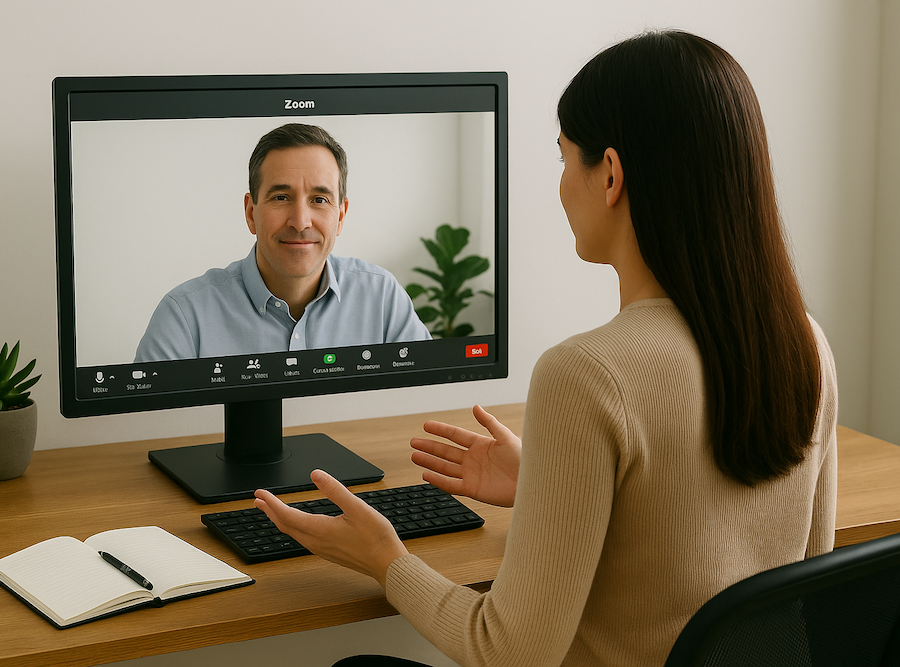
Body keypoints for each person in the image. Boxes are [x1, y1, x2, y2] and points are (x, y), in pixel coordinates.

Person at [255, 30, 838, 667]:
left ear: (610, 174)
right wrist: (549, 483)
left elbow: (508, 652)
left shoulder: (585, 374)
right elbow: (797, 590)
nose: (561, 185)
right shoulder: (803, 342)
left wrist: (386, 559)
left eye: (565, 158)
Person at [134, 123, 431, 362]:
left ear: (340, 216)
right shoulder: (184, 316)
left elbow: (422, 401)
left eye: (319, 199)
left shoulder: (382, 297)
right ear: (251, 213)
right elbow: (149, 432)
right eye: (281, 197)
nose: (300, 221)